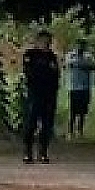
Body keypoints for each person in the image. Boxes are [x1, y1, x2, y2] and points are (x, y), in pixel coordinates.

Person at [22, 30, 61, 163]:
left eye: (48, 42)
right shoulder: (30, 55)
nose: (46, 44)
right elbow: (29, 72)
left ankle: (43, 152)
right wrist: (44, 70)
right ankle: (28, 152)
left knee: (47, 124)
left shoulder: (52, 56)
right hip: (35, 93)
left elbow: (55, 74)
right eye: (44, 41)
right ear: (38, 41)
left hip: (49, 94)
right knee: (31, 123)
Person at [65, 39, 95, 138]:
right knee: (73, 111)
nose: (80, 47)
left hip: (85, 87)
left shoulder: (88, 56)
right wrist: (85, 65)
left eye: (82, 46)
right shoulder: (71, 55)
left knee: (83, 111)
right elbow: (70, 64)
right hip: (74, 87)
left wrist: (84, 64)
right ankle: (70, 132)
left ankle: (80, 131)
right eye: (79, 45)